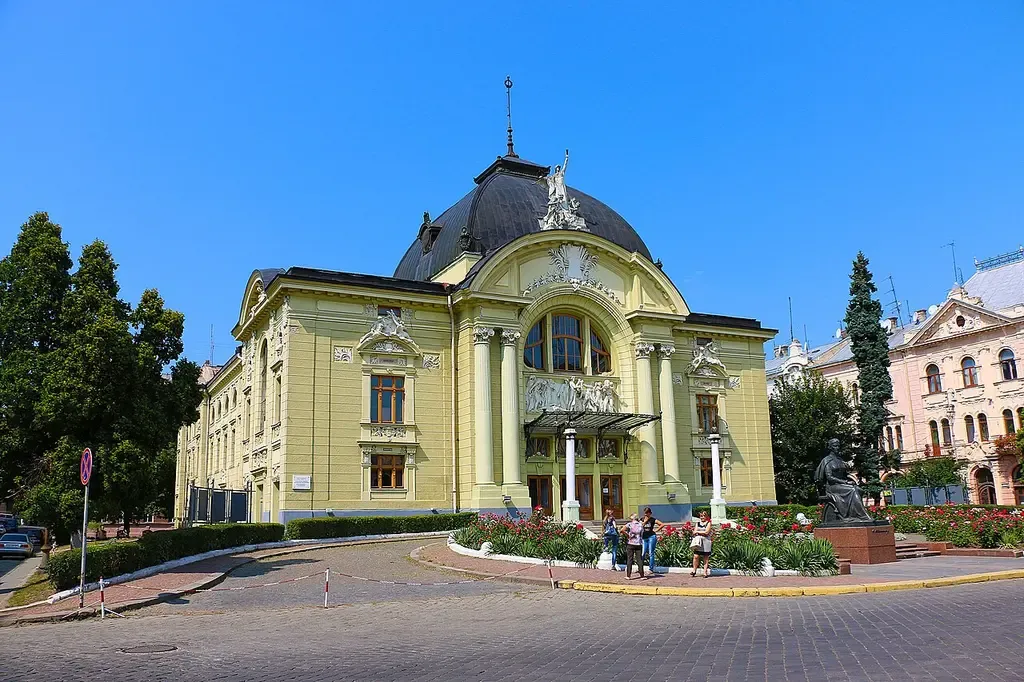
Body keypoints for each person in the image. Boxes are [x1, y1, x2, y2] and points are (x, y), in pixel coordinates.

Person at [640, 507, 664, 574]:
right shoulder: (642, 519)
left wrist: (656, 530)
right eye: (645, 513)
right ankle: (640, 567)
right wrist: (645, 521)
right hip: (644, 537)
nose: (646, 515)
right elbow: (640, 526)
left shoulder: (653, 520)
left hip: (651, 537)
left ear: (650, 513)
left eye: (647, 513)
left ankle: (651, 568)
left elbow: (662, 524)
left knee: (651, 552)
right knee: (643, 552)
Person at [691, 510, 713, 577]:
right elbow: (694, 532)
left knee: (705, 557)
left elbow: (706, 532)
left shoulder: (708, 523)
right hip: (698, 542)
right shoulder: (697, 523)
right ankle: (694, 570)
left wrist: (698, 531)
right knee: (696, 556)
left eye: (703, 516)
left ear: (706, 516)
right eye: (701, 516)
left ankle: (705, 572)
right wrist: (698, 532)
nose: (702, 517)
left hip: (706, 542)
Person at [621, 513, 644, 579]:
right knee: (639, 559)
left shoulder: (629, 524)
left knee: (630, 559)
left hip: (630, 543)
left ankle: (628, 575)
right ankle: (642, 575)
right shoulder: (641, 525)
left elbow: (622, 530)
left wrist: (627, 535)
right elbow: (642, 534)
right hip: (638, 544)